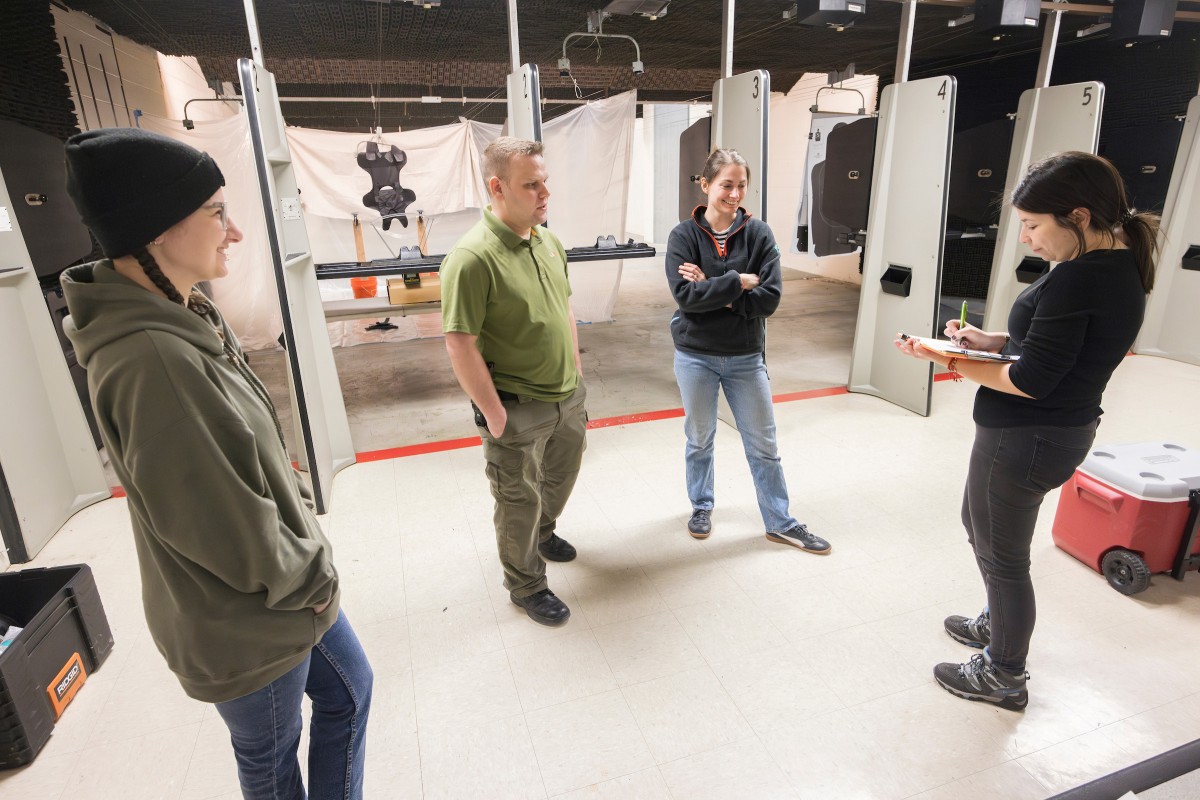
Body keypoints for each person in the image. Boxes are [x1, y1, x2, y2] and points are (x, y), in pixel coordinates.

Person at [60, 127, 372, 798]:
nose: (232, 234)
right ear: (159, 230)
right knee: (271, 757)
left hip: (279, 592)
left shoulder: (182, 314)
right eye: (217, 213)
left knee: (349, 693)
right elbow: (210, 523)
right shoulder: (152, 358)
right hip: (249, 617)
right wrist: (308, 576)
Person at [895, 151, 1160, 711]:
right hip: (1055, 430)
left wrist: (946, 359)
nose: (1028, 240)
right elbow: (1056, 349)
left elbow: (1034, 379)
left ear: (1079, 216)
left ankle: (1003, 671)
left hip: (1028, 434)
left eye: (1034, 226)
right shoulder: (1115, 266)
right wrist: (989, 342)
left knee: (1003, 555)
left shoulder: (1078, 280)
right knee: (981, 524)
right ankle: (999, 622)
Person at [441, 136, 587, 626]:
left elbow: (564, 306)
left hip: (568, 396)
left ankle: (545, 534)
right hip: (517, 404)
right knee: (517, 499)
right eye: (532, 185)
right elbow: (460, 344)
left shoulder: (549, 242)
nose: (545, 194)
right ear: (497, 187)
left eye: (545, 182)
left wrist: (576, 372)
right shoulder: (472, 258)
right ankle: (526, 585)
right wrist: (495, 413)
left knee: (558, 480)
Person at [666, 148, 830, 555]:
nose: (735, 193)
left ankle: (781, 522)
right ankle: (701, 507)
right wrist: (739, 280)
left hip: (744, 357)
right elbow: (686, 297)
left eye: (741, 185)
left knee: (763, 446)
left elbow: (769, 299)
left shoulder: (759, 234)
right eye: (726, 185)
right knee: (699, 438)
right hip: (695, 355)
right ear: (706, 186)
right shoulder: (683, 237)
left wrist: (714, 285)